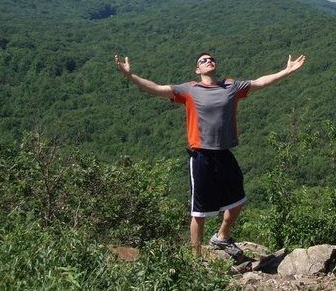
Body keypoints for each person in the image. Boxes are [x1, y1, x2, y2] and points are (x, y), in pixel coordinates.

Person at [114, 51, 306, 257]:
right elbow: (157, 89)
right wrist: (130, 76)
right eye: (203, 61)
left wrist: (286, 71)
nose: (209, 61)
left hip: (224, 153)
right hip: (201, 155)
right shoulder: (190, 89)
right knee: (199, 212)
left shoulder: (231, 86)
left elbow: (260, 83)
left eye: (211, 59)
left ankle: (221, 237)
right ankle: (195, 259)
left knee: (238, 201)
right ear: (198, 70)